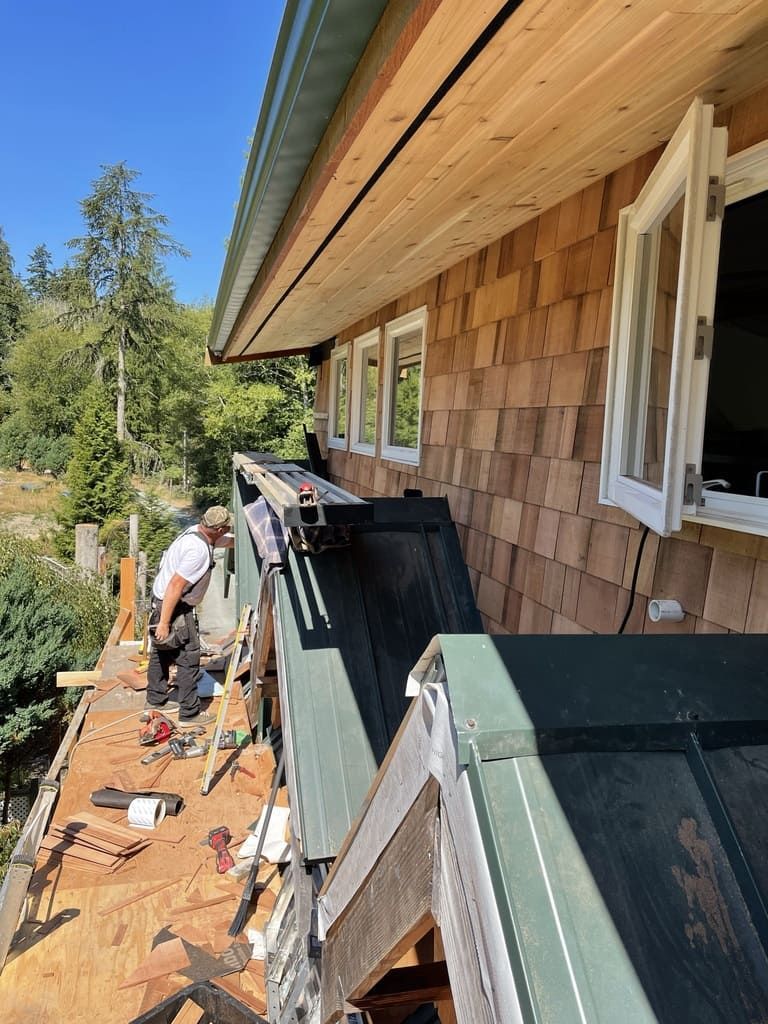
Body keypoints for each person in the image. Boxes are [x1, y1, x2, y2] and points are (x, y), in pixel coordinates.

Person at [146, 505, 234, 723]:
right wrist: (165, 622)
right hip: (174, 607)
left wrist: (238, 540)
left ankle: (156, 700)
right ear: (220, 529)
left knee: (162, 651)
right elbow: (176, 586)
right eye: (226, 528)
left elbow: (221, 541)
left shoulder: (194, 532)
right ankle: (189, 713)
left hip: (161, 602)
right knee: (188, 657)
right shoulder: (199, 552)